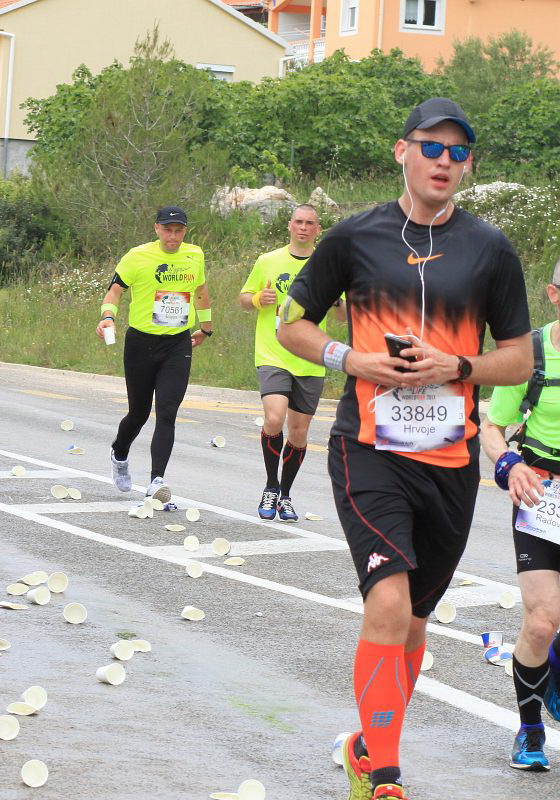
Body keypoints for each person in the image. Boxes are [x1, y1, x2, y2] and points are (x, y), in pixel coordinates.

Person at [277, 98, 532, 800]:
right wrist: (346, 359)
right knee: (386, 608)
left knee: (414, 624)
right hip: (370, 452)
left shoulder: (491, 249)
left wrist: (459, 367)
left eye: (458, 152)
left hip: (450, 465)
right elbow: (291, 324)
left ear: (469, 164)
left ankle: (371, 737)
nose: (444, 162)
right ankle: (383, 772)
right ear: (402, 152)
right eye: (432, 147)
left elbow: (517, 359)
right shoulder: (354, 236)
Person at [479, 259, 560, 771]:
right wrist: (510, 465)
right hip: (542, 494)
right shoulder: (530, 352)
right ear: (554, 294)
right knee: (541, 621)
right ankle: (530, 729)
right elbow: (493, 426)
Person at [95, 205, 212, 505]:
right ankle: (120, 452)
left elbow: (200, 291)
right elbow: (115, 291)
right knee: (139, 412)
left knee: (168, 411)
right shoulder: (137, 256)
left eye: (179, 230)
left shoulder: (194, 255)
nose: (173, 236)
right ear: (157, 228)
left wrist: (206, 328)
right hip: (141, 343)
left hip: (177, 343)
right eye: (167, 229)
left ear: (185, 231)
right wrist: (108, 316)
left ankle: (156, 480)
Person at [239, 204, 336, 521]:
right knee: (274, 418)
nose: (304, 228)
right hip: (273, 352)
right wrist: (257, 300)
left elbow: (345, 313)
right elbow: (244, 298)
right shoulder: (268, 261)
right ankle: (270, 486)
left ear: (317, 229)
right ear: (290, 226)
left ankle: (285, 494)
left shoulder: (328, 264)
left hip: (310, 357)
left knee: (299, 433)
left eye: (310, 223)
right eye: (299, 222)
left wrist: (336, 299)